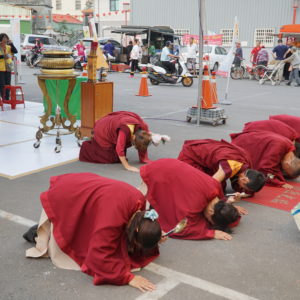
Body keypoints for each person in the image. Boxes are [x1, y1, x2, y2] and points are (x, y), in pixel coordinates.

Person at [24, 173, 162, 292]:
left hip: (84, 186)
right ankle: (41, 232)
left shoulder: (142, 210)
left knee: (99, 228)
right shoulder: (112, 219)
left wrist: (154, 235)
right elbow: (98, 256)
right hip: (68, 196)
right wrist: (128, 278)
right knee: (74, 236)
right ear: (136, 229)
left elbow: (142, 226)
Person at [140, 159, 243, 241]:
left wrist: (229, 205)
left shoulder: (215, 186)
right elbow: (182, 229)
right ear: (211, 211)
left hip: (170, 162)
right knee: (140, 202)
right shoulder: (191, 208)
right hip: (158, 173)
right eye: (210, 220)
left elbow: (221, 202)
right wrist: (211, 233)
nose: (207, 221)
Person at [79, 111, 170, 172]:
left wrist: (160, 137)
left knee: (119, 155)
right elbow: (119, 149)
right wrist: (127, 166)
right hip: (102, 130)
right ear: (133, 136)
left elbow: (147, 136)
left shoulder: (142, 128)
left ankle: (93, 140)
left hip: (116, 125)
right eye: (134, 144)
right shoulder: (125, 130)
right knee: (111, 158)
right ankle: (86, 144)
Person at [177, 139, 265, 194]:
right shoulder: (232, 165)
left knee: (221, 188)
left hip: (209, 155)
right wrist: (225, 202)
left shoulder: (246, 165)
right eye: (243, 186)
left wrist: (243, 192)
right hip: (191, 156)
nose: (241, 187)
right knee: (200, 188)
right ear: (245, 179)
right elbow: (210, 184)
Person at [230, 131, 300, 188]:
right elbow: (265, 169)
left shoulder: (289, 145)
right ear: (287, 164)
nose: (283, 170)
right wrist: (279, 183)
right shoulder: (277, 149)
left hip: (250, 137)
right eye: (285, 170)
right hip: (241, 144)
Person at [0, 33, 17, 100]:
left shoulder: (8, 47)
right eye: (4, 38)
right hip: (1, 68)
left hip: (8, 67)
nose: (5, 39)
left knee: (8, 83)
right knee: (2, 84)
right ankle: (3, 97)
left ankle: (7, 98)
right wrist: (2, 56)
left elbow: (15, 51)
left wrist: (11, 43)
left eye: (6, 38)